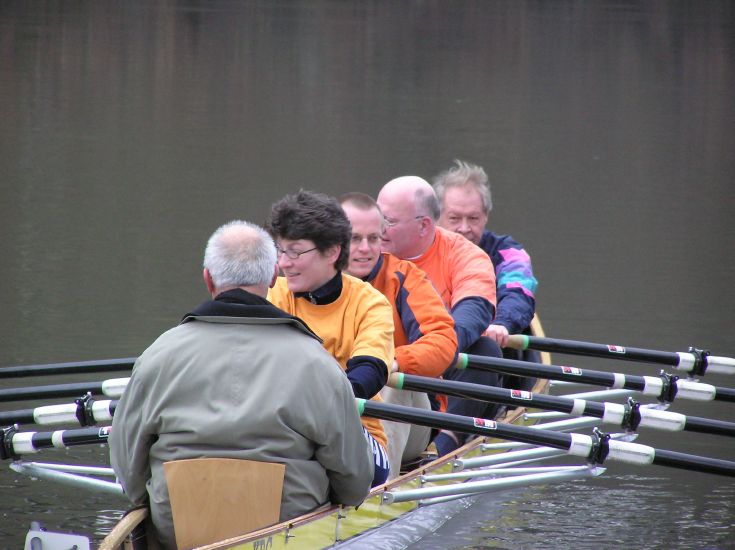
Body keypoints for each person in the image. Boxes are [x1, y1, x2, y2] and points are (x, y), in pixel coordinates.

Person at [109, 220, 374, 549]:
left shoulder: (156, 356)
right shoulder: (319, 364)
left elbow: (128, 470)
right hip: (287, 535)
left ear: (208, 278)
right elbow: (354, 483)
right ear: (274, 276)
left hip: (178, 533)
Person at [266, 190, 394, 486]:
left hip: (358, 431)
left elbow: (369, 373)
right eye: (280, 250)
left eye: (295, 252)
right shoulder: (272, 295)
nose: (283, 263)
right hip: (288, 425)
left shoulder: (370, 304)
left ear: (333, 252)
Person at [377, 176, 505, 457]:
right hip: (381, 369)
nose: (378, 230)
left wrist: (433, 351)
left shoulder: (465, 255)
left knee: (484, 350)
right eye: (378, 218)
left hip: (435, 375)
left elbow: (474, 309)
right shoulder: (365, 254)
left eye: (389, 221)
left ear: (424, 225)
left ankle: (447, 442)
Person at [339, 192, 458, 476]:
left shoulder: (404, 277)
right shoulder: (312, 278)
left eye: (374, 238)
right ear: (333, 240)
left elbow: (444, 342)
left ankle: (381, 484)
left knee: (390, 379)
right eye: (355, 239)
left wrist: (389, 361)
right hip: (341, 409)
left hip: (410, 419)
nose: (366, 249)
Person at [432, 159, 538, 349]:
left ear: (485, 216)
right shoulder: (420, 247)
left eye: (473, 218)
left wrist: (502, 323)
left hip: (490, 341)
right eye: (454, 218)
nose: (464, 228)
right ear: (436, 217)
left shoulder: (510, 253)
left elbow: (518, 292)